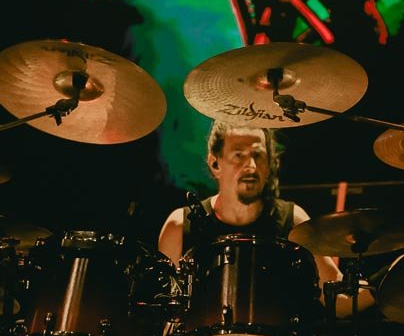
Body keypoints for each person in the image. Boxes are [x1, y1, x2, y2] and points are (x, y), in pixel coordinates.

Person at [158, 121, 375, 317]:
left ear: (269, 163)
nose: (251, 166)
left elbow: (337, 300)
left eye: (258, 155)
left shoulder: (293, 222)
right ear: (215, 164)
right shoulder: (180, 226)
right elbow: (162, 314)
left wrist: (385, 283)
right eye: (239, 155)